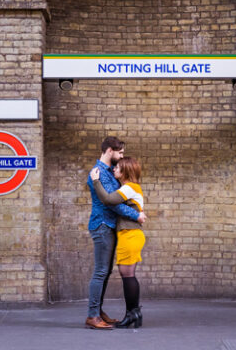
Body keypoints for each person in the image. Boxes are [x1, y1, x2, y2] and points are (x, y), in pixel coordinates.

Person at [85, 136, 147, 330]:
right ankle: (93, 315)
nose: (121, 157)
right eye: (120, 152)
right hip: (103, 224)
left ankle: (98, 312)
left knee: (106, 272)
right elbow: (112, 203)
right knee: (101, 271)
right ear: (110, 150)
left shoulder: (108, 173)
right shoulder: (100, 173)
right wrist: (136, 215)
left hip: (111, 226)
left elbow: (119, 200)